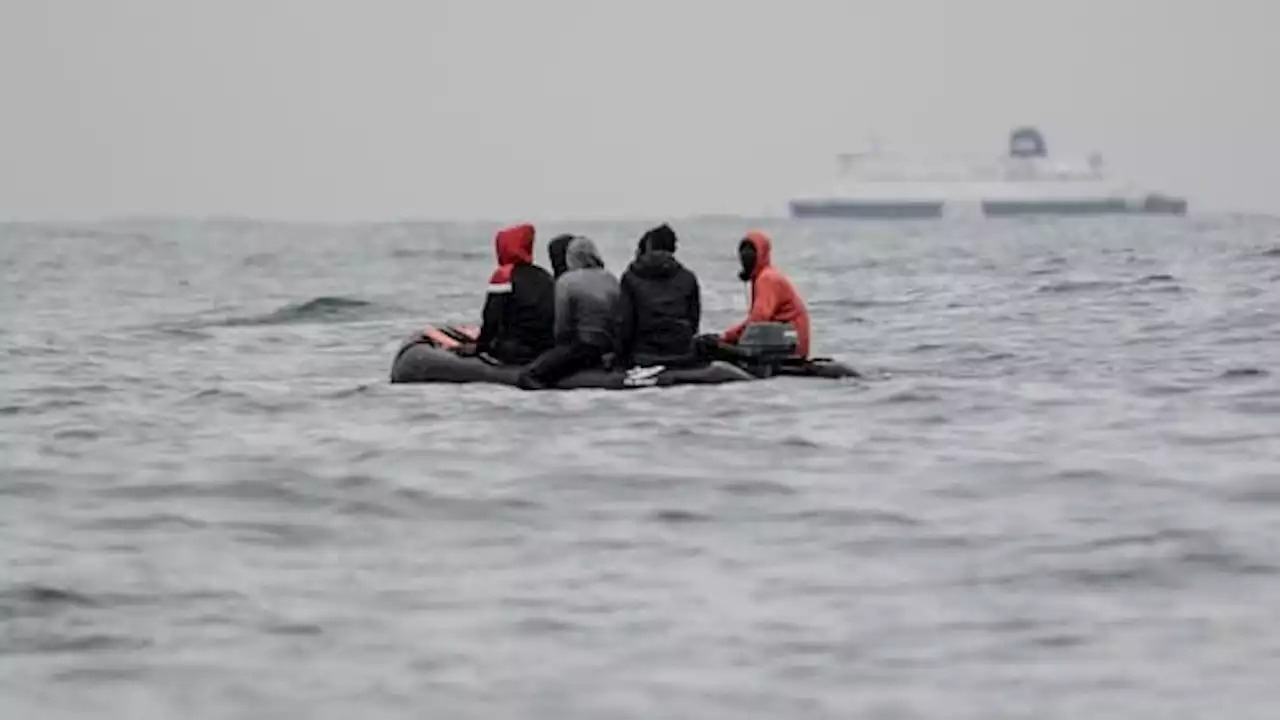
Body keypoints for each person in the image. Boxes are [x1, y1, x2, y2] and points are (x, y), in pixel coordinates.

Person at [518, 236, 620, 389]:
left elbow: (561, 327)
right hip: (609, 349)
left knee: (528, 376)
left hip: (582, 349)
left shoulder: (566, 281)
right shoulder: (611, 278)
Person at [456, 223, 555, 364]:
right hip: (544, 349)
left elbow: (492, 316)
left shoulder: (504, 275)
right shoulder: (545, 276)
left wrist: (480, 347)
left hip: (515, 349)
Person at [705, 229, 811, 360]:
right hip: (782, 342)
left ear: (761, 254)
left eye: (750, 251)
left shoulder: (767, 279)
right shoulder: (763, 277)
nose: (745, 256)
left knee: (707, 346)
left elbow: (758, 319)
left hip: (788, 347)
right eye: (743, 251)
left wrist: (726, 337)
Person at [616, 223, 702, 368]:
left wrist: (619, 357)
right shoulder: (688, 277)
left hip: (643, 355)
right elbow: (693, 321)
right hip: (682, 354)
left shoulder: (630, 277)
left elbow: (625, 324)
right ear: (674, 249)